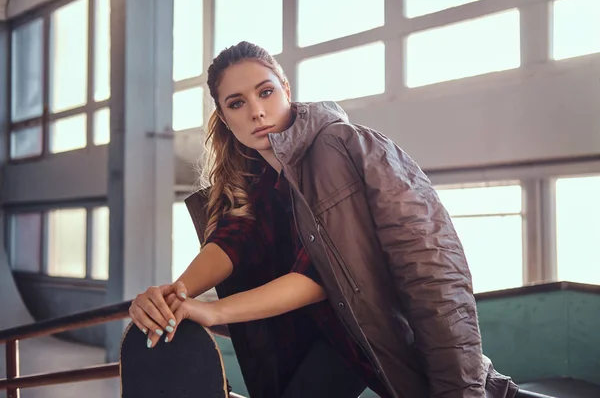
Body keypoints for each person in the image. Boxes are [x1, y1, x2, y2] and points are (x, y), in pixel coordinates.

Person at [128, 41, 546, 398]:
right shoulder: (258, 178)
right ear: (224, 115)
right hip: (339, 341)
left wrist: (213, 312)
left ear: (286, 89)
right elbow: (236, 237)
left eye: (265, 92)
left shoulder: (336, 147)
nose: (256, 111)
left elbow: (328, 273)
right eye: (237, 103)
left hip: (390, 333)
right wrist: (175, 294)